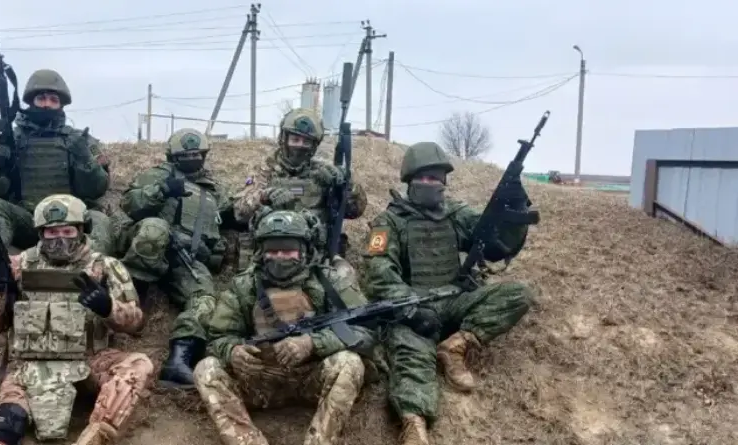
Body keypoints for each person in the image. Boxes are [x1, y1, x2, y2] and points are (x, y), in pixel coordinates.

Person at [361, 142, 534, 445]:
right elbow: (378, 274)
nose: (430, 184)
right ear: (410, 180)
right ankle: (414, 424)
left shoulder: (455, 213)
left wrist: (514, 210)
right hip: (414, 307)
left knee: (518, 294)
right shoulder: (389, 222)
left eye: (436, 178)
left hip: (455, 299)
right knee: (411, 356)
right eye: (424, 178)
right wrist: (411, 309)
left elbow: (492, 242)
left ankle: (455, 346)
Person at [0, 194, 151, 445]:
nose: (59, 239)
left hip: (91, 360)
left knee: (138, 365)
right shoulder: (17, 266)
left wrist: (108, 307)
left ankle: (97, 436)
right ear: (40, 233)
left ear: (81, 230)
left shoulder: (105, 267)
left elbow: (136, 324)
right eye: (52, 232)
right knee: (6, 427)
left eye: (68, 231)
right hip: (29, 365)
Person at [193, 208, 374, 445]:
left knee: (350, 363)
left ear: (304, 250)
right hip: (259, 380)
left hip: (311, 378)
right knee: (206, 369)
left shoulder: (330, 282)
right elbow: (217, 338)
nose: (280, 256)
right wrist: (233, 351)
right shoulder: (244, 286)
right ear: (261, 252)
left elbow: (366, 333)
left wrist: (312, 343)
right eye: (272, 250)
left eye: (288, 250)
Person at [0, 68, 115, 331]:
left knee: (101, 220)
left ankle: (96, 294)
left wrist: (84, 158)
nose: (47, 104)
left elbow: (97, 190)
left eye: (53, 99)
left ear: (62, 103)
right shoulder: (11, 140)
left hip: (72, 225)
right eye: (41, 98)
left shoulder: (81, 141)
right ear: (30, 101)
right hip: (28, 221)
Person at [116, 128, 233, 388]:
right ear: (173, 156)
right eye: (185, 155)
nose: (192, 158)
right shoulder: (159, 174)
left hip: (185, 258)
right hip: (151, 243)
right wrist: (163, 190)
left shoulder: (214, 190)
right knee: (155, 228)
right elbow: (130, 204)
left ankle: (179, 359)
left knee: (205, 299)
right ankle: (133, 300)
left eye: (197, 154)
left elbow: (232, 214)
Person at [230, 107, 367, 274]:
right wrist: (265, 196)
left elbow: (355, 211)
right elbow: (239, 212)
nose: (300, 146)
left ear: (314, 145)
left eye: (306, 142)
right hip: (270, 256)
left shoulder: (323, 172)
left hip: (316, 257)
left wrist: (346, 186)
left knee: (345, 277)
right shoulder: (265, 170)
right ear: (284, 138)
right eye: (295, 139)